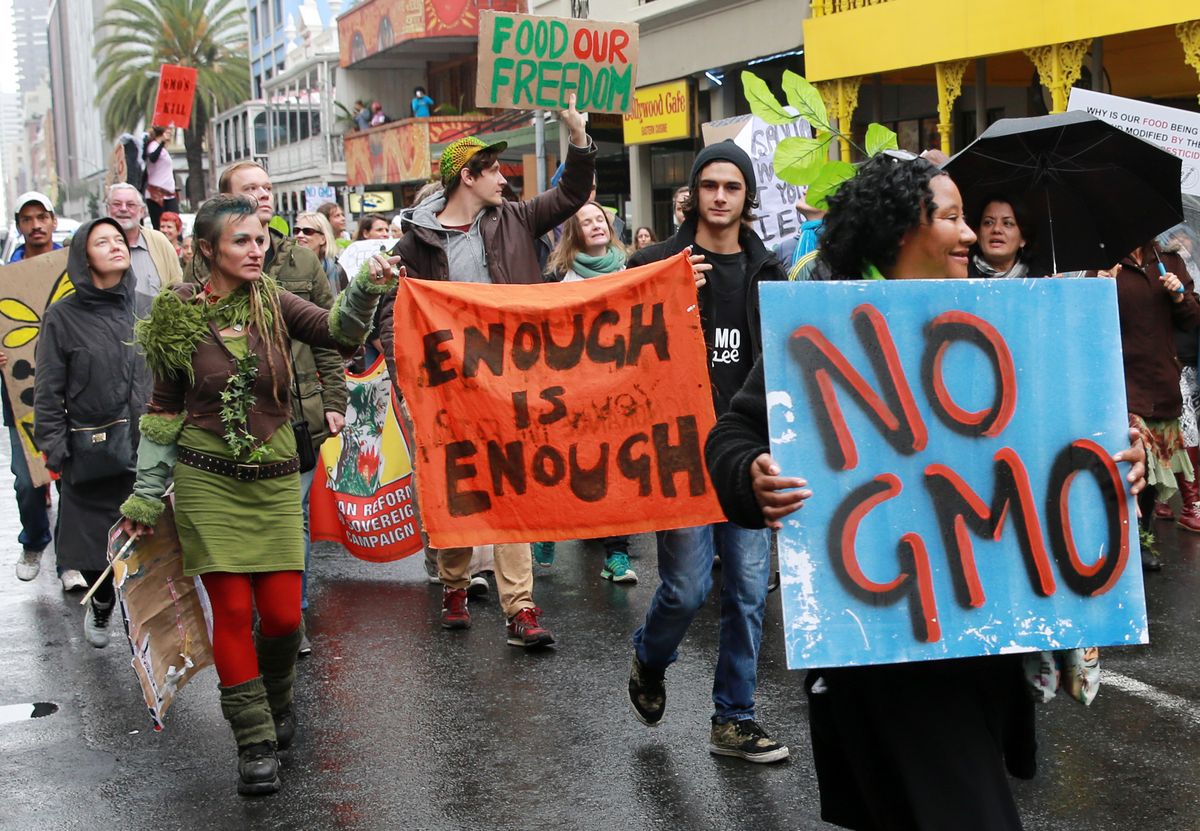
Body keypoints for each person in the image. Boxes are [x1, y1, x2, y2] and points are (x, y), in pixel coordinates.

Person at [704, 152, 1148, 829]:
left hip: (983, 654)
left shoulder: (1011, 319)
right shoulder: (827, 327)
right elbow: (732, 437)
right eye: (950, 217)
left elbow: (1065, 443)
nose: (971, 234)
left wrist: (1120, 460)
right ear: (897, 232)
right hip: (888, 661)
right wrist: (752, 475)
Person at [118, 194, 396, 796]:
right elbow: (164, 409)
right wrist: (145, 494)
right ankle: (254, 741)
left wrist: (367, 287)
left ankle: (273, 702)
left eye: (261, 238)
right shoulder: (179, 313)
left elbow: (338, 333)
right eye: (242, 240)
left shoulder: (274, 301)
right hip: (205, 479)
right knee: (236, 614)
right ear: (207, 249)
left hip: (272, 480)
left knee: (280, 615)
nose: (257, 249)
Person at [379, 94, 595, 648]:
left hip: (511, 385)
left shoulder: (517, 218)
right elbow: (392, 311)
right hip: (448, 388)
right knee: (460, 488)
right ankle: (454, 585)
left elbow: (572, 193)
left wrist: (577, 137)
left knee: (511, 490)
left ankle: (520, 608)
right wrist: (408, 376)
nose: (505, 177)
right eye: (495, 169)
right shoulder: (416, 243)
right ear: (468, 176)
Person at [624, 140, 789, 763]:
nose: (720, 197)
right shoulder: (655, 262)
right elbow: (613, 345)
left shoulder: (767, 270)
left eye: (733, 187)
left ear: (747, 198)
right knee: (688, 589)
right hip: (680, 453)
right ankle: (649, 657)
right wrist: (661, 294)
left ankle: (734, 718)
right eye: (710, 186)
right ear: (693, 193)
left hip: (745, 453)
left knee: (748, 591)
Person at [191, 161, 349, 657]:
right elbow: (168, 393)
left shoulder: (298, 264)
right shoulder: (187, 290)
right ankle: (253, 720)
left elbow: (334, 332)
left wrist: (334, 400)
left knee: (294, 525)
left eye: (265, 187)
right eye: (248, 190)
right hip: (214, 451)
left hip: (291, 419)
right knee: (233, 603)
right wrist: (149, 491)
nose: (261, 195)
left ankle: (287, 618)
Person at [34, 218, 147, 645]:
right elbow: (47, 391)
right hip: (90, 451)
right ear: (84, 256)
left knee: (151, 550)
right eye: (103, 242)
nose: (116, 246)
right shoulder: (61, 317)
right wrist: (55, 449)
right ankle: (101, 603)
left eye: (119, 239)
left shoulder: (149, 307)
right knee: (90, 547)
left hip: (148, 449)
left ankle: (146, 629)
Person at [532, 202, 637, 583]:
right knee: (565, 464)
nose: (595, 225)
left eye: (600, 219)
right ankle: (547, 529)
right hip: (574, 391)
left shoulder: (633, 270)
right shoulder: (561, 282)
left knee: (616, 471)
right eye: (586, 221)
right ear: (574, 233)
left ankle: (617, 554)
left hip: (619, 389)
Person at [1102, 242, 1200, 569]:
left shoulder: (1169, 260)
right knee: (1129, 464)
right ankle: (1125, 541)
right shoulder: (1105, 263)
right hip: (1121, 380)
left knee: (1153, 475)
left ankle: (1143, 538)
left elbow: (1193, 321)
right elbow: (1086, 318)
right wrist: (1100, 286)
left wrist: (1178, 296)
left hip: (1161, 379)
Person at [6, 193, 64, 584]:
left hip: (72, 392)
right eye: (28, 219)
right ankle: (35, 538)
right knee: (28, 479)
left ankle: (70, 562)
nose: (36, 225)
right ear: (19, 225)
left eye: (41, 217)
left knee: (73, 481)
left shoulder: (74, 265)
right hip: (20, 395)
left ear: (53, 220)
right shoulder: (4, 278)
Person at [105, 183, 184, 317]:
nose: (123, 209)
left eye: (130, 205)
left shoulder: (160, 243)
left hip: (156, 335)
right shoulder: (94, 245)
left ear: (141, 211)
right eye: (117, 204)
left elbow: (178, 290)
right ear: (107, 209)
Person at [968, 196, 1033, 278]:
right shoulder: (958, 277)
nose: (996, 229)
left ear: (1023, 238)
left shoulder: (1041, 282)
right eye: (988, 222)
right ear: (977, 233)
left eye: (1007, 223)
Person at [293, 211, 346, 296]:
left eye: (308, 231)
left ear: (323, 239)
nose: (299, 235)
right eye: (296, 230)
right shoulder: (287, 267)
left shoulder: (337, 271)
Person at [142, 127, 180, 230]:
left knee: (174, 224)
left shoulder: (163, 150)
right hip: (157, 194)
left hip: (169, 194)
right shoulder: (153, 145)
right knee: (160, 227)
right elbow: (153, 158)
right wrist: (162, 143)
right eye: (168, 130)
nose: (170, 132)